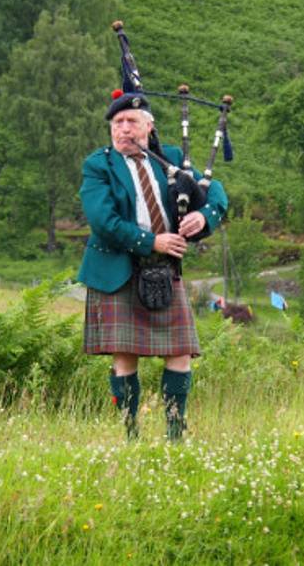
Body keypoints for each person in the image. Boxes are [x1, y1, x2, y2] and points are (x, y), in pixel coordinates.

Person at [78, 90, 228, 440]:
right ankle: (130, 434)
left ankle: (175, 433)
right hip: (118, 270)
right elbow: (103, 219)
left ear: (149, 125)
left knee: (180, 352)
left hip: (164, 270)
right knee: (125, 355)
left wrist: (203, 217)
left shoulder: (171, 159)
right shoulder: (98, 165)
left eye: (131, 121)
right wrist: (151, 241)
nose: (124, 129)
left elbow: (216, 192)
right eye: (117, 123)